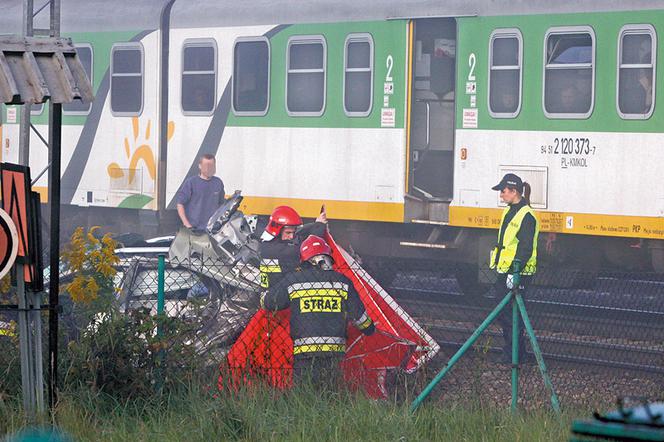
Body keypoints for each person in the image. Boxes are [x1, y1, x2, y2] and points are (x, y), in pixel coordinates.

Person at [260, 235, 375, 388]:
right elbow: (363, 322)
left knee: (304, 394)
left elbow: (268, 302)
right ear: (327, 258)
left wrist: (263, 292)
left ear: (304, 260)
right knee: (330, 393)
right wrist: (370, 329)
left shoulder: (294, 280)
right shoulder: (343, 282)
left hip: (304, 353)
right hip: (334, 354)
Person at [489, 173, 540, 363]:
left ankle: (513, 355)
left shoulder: (527, 215)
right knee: (506, 314)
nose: (501, 195)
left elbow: (525, 247)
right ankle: (517, 353)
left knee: (512, 315)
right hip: (506, 271)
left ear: (514, 191)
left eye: (503, 191)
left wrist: (514, 273)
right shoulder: (509, 210)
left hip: (518, 273)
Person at [258, 205, 327, 289]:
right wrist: (319, 226)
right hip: (276, 297)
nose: (291, 237)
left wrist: (316, 224)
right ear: (277, 231)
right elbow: (307, 247)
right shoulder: (276, 251)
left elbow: (299, 232)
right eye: (288, 233)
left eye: (293, 233)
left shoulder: (267, 244)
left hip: (275, 292)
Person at [176, 154, 225, 231]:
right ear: (200, 166)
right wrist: (187, 225)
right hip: (194, 229)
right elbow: (180, 204)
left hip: (213, 229)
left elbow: (221, 205)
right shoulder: (191, 182)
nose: (208, 168)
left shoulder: (218, 183)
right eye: (206, 166)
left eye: (211, 166)